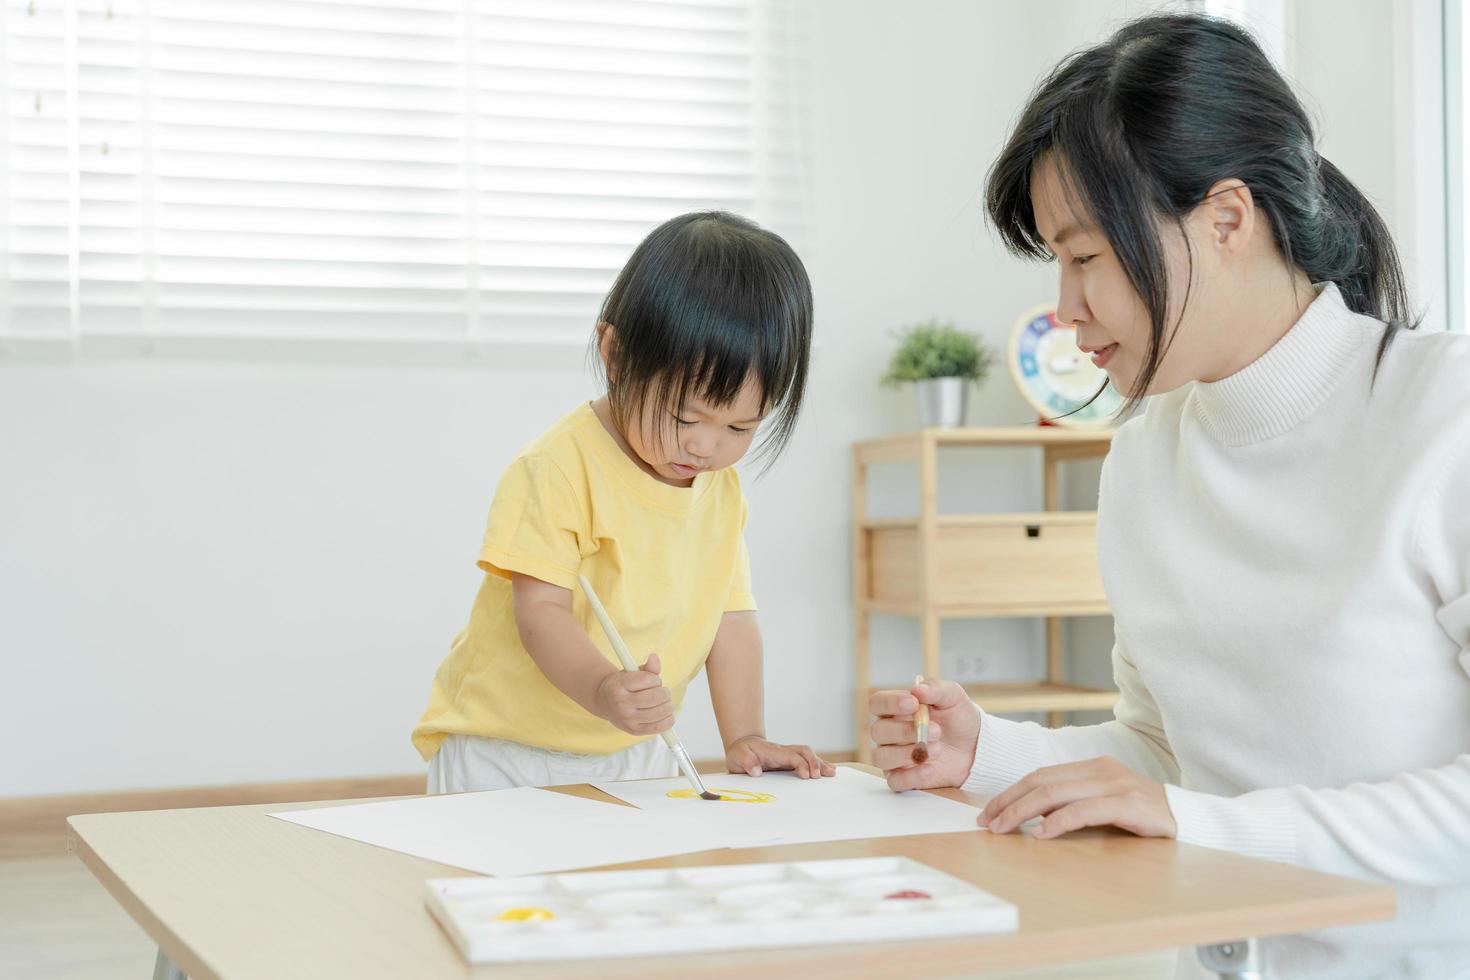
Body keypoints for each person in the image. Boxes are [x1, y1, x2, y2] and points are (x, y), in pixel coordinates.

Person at [869, 15, 1470, 978]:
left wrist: (1200, 824)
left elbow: (1192, 807)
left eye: (1086, 257)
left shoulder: (1445, 417)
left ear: (1226, 219)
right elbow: (1166, 745)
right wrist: (987, 754)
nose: (1064, 310)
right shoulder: (1144, 462)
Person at [415, 211, 834, 792]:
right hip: (506, 749)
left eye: (740, 428)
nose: (705, 446)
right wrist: (601, 691)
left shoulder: (719, 488)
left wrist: (744, 737)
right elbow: (542, 613)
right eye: (686, 416)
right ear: (615, 354)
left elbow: (731, 622)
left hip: (637, 747)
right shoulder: (558, 468)